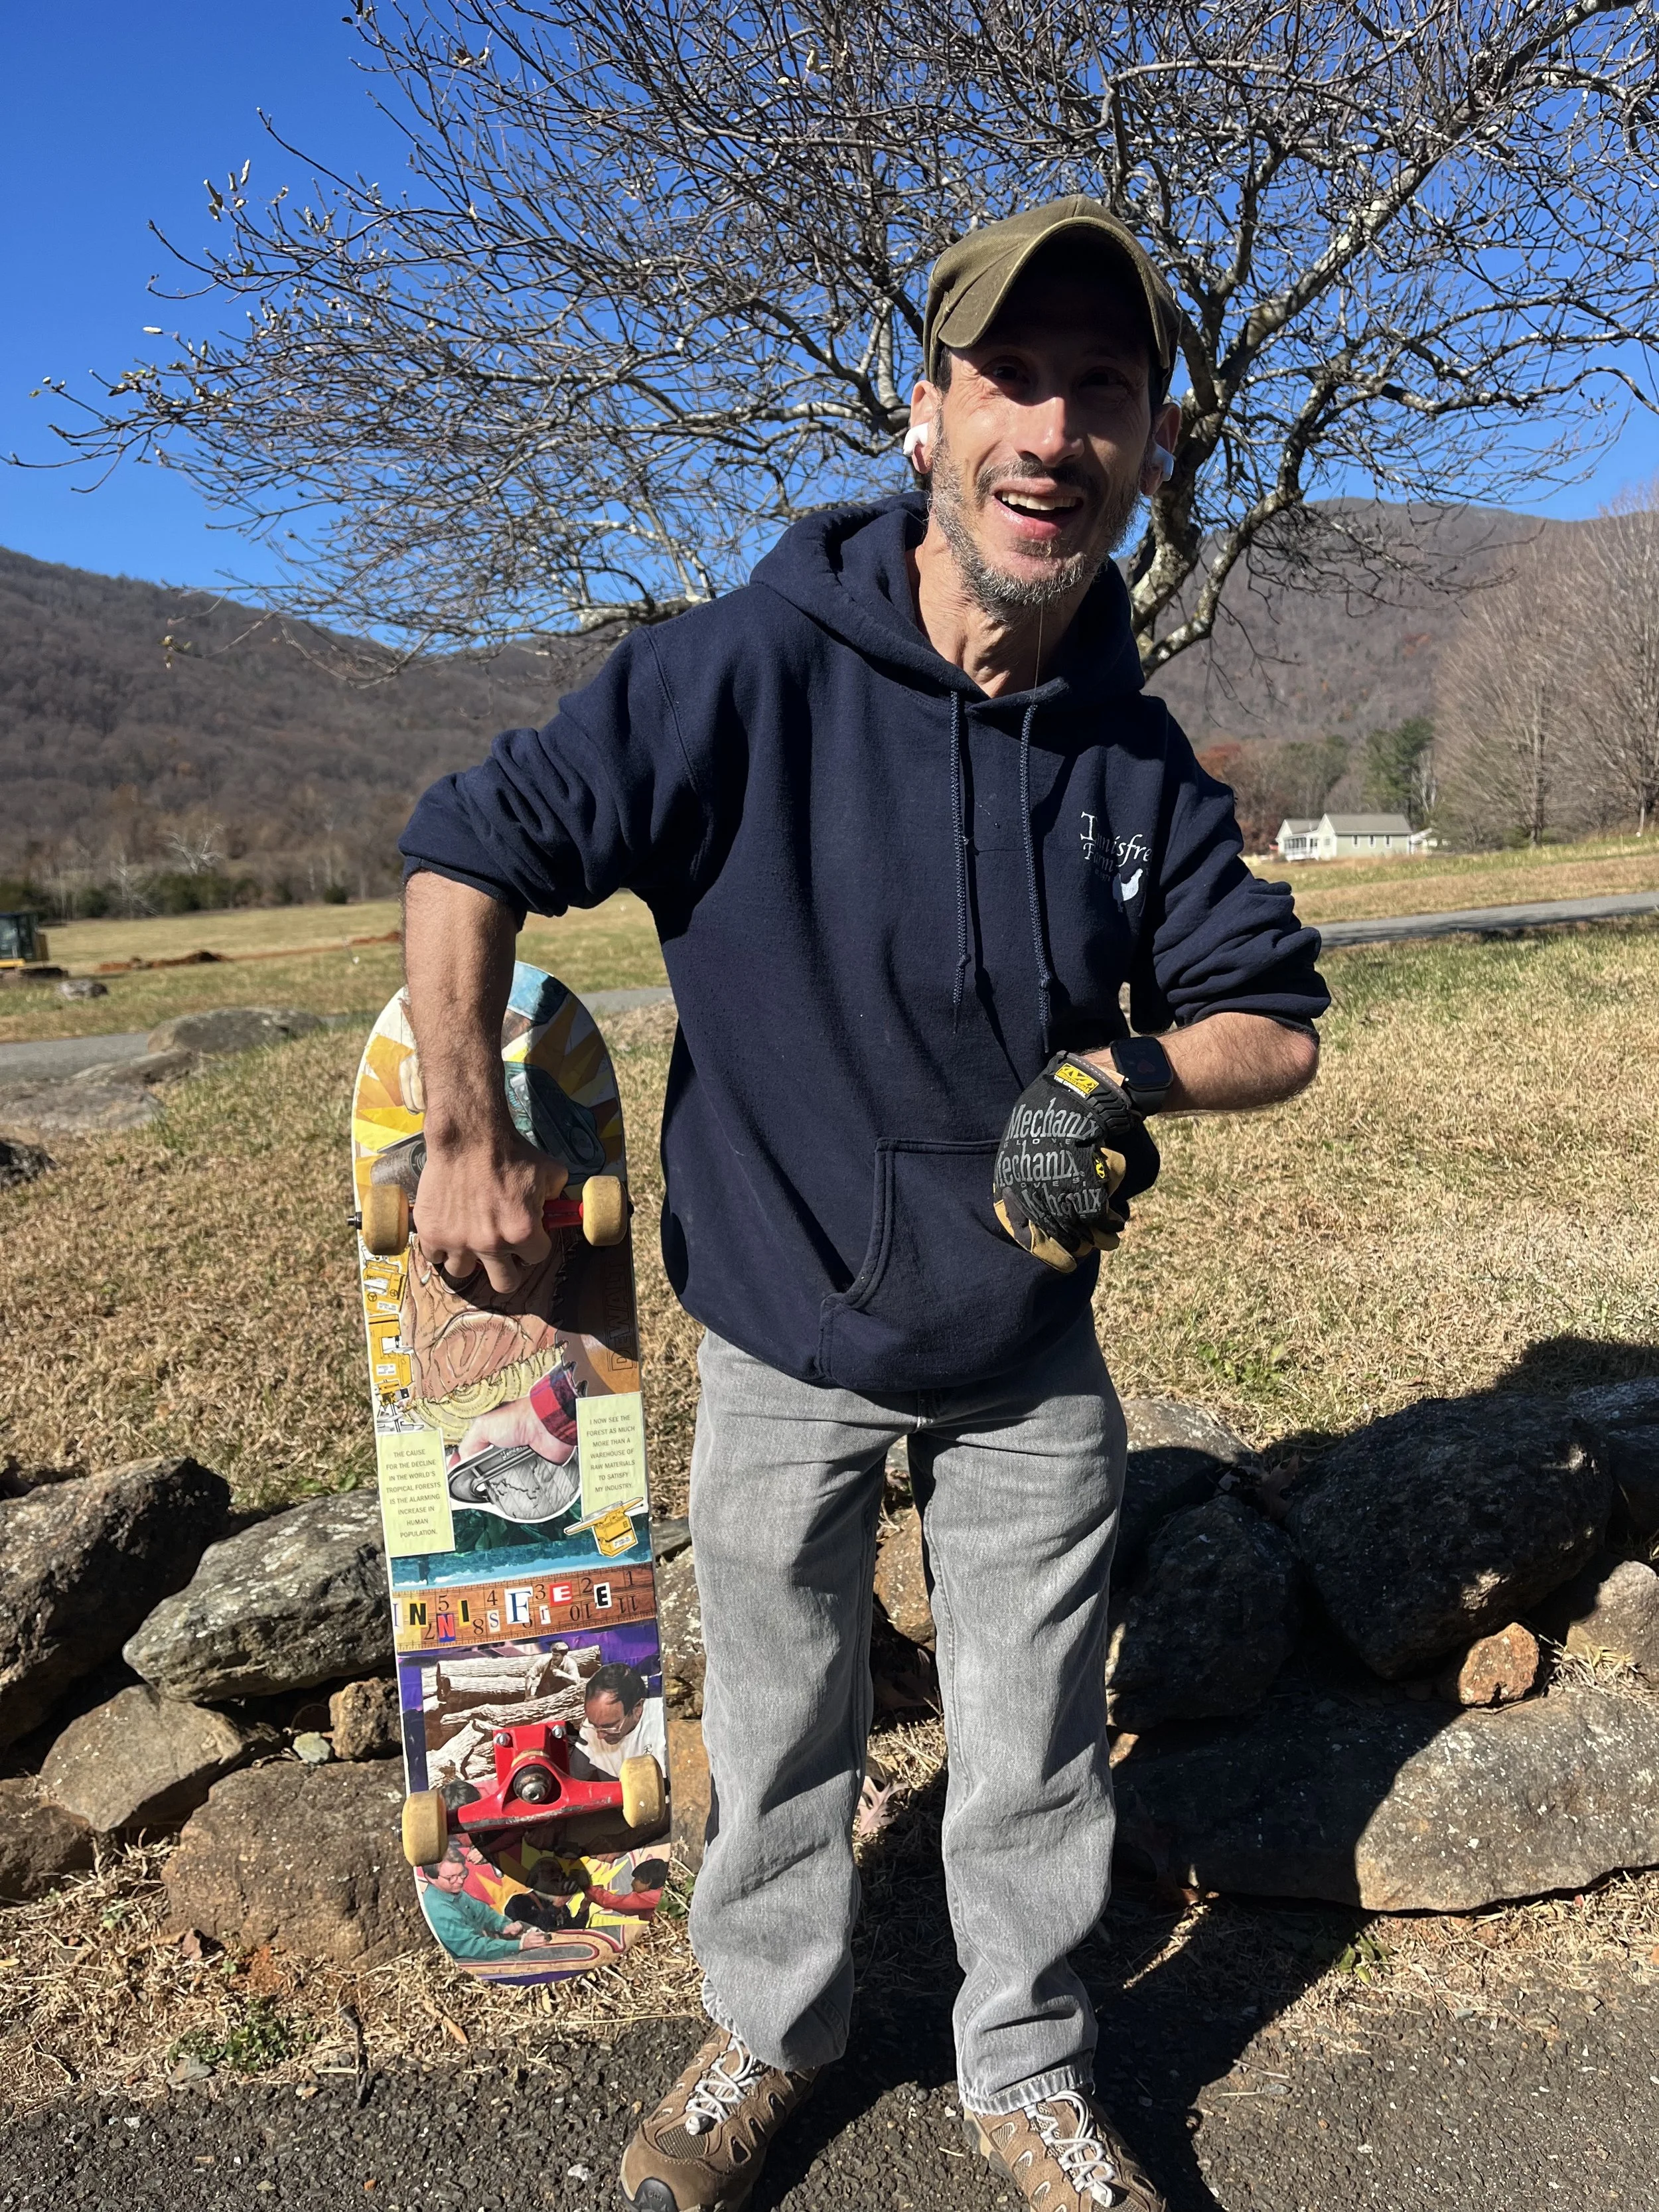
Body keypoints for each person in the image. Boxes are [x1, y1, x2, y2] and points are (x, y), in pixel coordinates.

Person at [397, 196, 1328, 2212]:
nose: (1050, 428)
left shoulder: (1132, 756)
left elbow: (1272, 1020)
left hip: (1019, 1344)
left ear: (1148, 444)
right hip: (781, 1317)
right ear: (923, 416)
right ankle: (768, 2029)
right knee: (785, 1720)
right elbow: (474, 837)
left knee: (1029, 1750)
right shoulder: (741, 672)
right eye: (1010, 377)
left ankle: (1024, 2069)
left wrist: (1118, 1068)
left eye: (1103, 388)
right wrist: (462, 1119)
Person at [415, 1842, 559, 1964]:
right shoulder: (440, 1910)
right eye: (451, 1878)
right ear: (431, 1878)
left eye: (462, 1874)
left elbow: (482, 1912)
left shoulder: (451, 1890)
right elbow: (472, 1948)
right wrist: (520, 1945)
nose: (460, 1881)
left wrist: (504, 1925)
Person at [569, 1660, 668, 1783]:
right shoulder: (591, 1729)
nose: (600, 1736)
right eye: (594, 1725)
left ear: (637, 1708)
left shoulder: (664, 1720)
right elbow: (574, 1782)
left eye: (609, 1726)